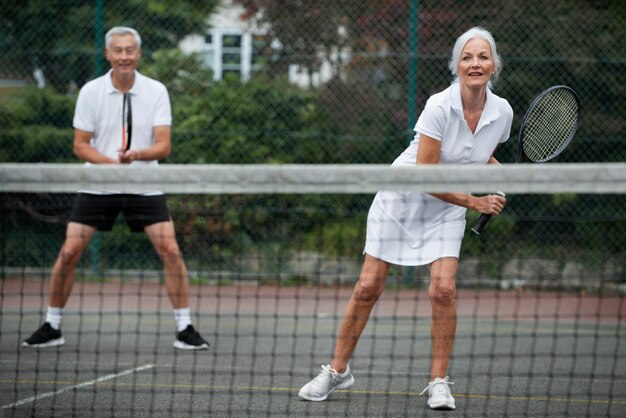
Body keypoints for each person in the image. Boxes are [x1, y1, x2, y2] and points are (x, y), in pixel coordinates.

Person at [298, 27, 512, 410]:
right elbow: (425, 175)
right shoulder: (439, 106)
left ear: (493, 65)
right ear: (456, 66)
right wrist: (476, 202)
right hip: (402, 197)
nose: (475, 63)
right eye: (467, 57)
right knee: (367, 288)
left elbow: (477, 156)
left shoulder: (503, 113)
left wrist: (500, 178)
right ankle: (336, 370)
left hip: (447, 208)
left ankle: (439, 382)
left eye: (482, 56)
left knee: (443, 290)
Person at [22, 26, 209, 351]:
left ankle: (185, 328)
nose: (124, 56)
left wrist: (136, 155)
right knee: (69, 252)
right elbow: (80, 145)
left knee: (171, 251)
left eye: (129, 50)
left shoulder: (156, 91)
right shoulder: (90, 92)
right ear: (108, 54)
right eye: (118, 50)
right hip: (98, 184)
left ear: (138, 54)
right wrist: (110, 165)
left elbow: (163, 146)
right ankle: (52, 325)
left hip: (144, 184)